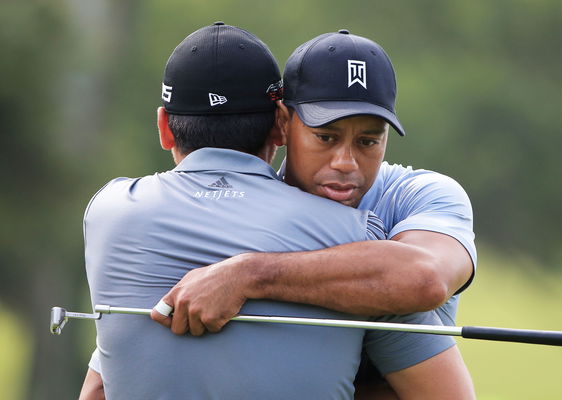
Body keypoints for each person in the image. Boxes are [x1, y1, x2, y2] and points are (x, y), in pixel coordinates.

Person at [80, 23, 466, 400]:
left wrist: (248, 274)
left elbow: (425, 278)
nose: (346, 162)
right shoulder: (358, 235)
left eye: (368, 141)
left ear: (165, 128)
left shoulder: (111, 209)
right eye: (326, 136)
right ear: (282, 124)